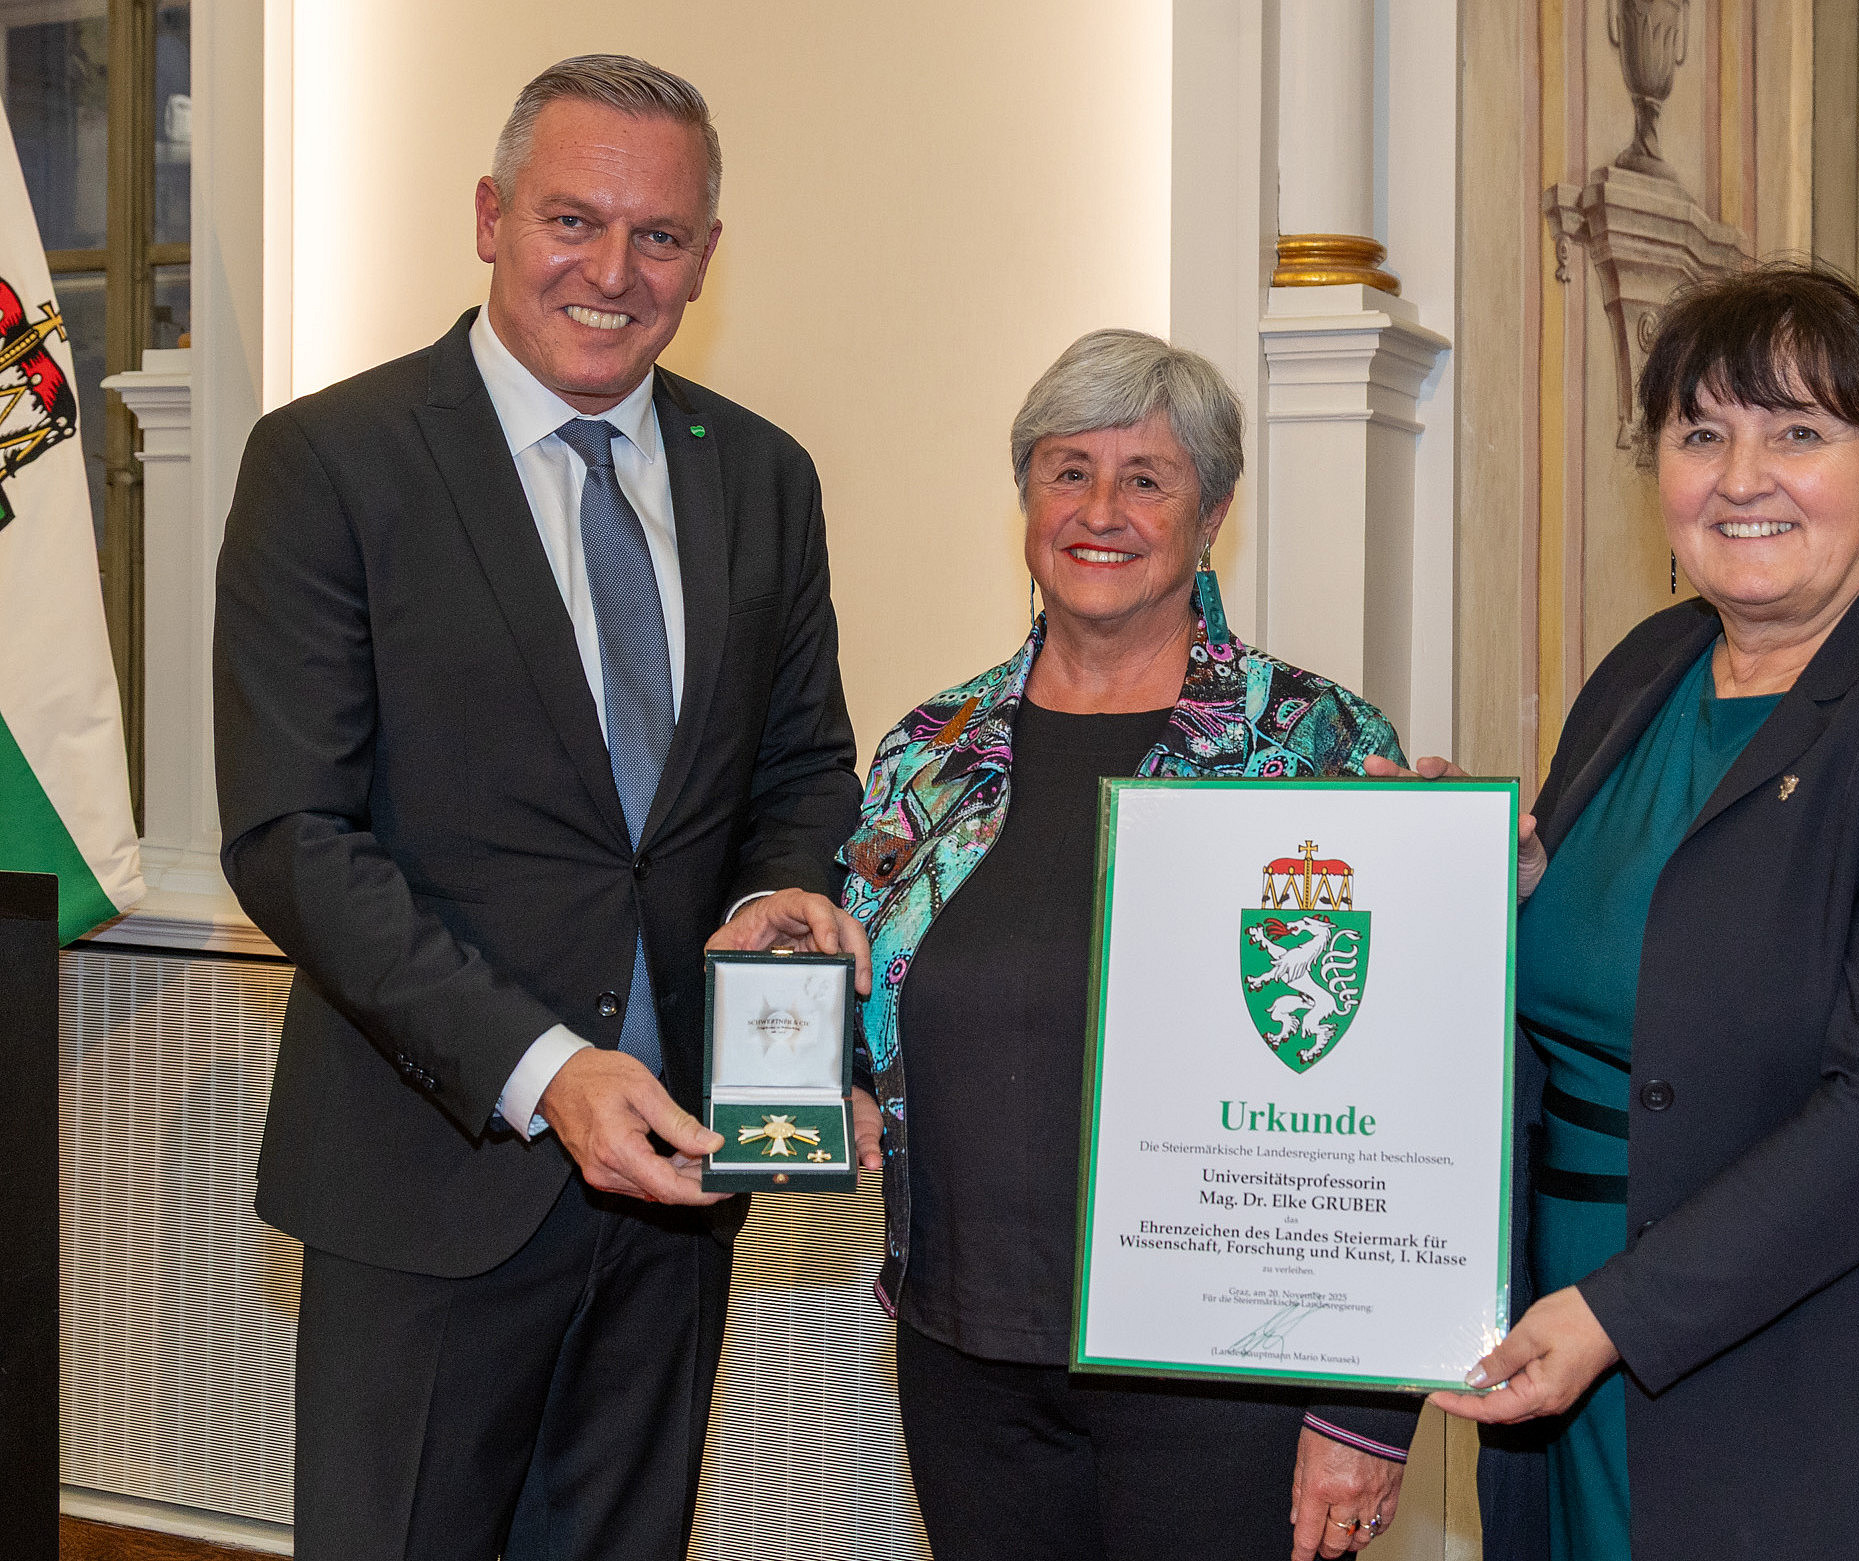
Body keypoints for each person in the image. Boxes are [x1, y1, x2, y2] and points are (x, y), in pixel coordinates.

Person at [214, 56, 875, 1560]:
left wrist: (784, 895)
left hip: (680, 1185)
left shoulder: (762, 476)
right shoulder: (332, 463)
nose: (613, 271)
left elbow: (800, 771)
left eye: (661, 236)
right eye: (574, 220)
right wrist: (545, 1065)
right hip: (433, 1177)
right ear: (490, 216)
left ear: (707, 256)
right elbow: (292, 839)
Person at [1419, 263, 1859, 1561]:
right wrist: (1459, 883)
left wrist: (1617, 1310)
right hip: (1566, 1332)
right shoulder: (1643, 672)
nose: (1742, 477)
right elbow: (1624, 939)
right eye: (1700, 433)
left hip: (1820, 1369)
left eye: (1799, 432)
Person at [839, 329, 1422, 1561]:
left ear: (1212, 512)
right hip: (967, 1353)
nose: (1101, 509)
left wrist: (1367, 1407)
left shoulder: (1315, 742)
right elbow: (877, 1017)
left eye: (1146, 477)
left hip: (1227, 1378)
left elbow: (1403, 1090)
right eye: (1067, 470)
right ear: (1026, 498)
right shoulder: (929, 754)